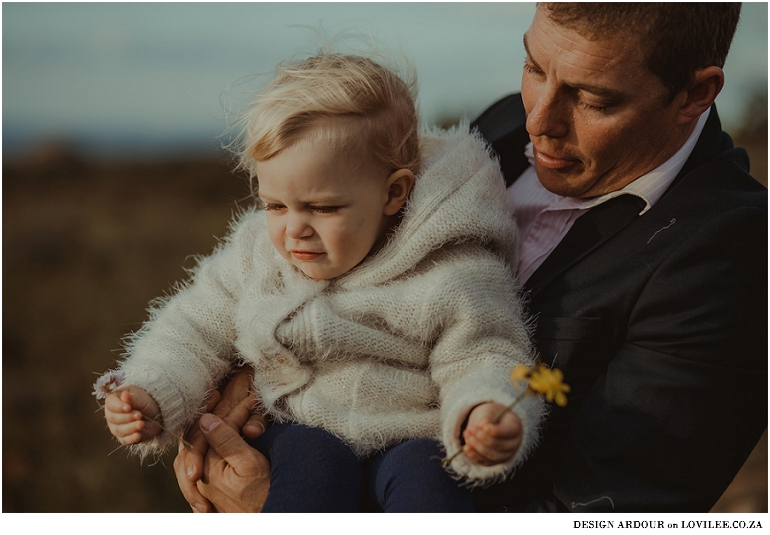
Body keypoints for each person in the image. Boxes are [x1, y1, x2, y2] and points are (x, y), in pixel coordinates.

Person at [174, 3, 767, 513]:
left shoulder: (732, 252)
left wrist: (285, 505)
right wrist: (240, 382)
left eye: (592, 99)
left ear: (695, 93)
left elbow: (610, 510)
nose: (540, 121)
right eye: (535, 66)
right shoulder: (503, 126)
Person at [101, 52, 546, 512]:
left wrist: (485, 411)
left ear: (395, 192)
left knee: (427, 477)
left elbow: (484, 352)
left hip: (411, 435)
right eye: (275, 205)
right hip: (298, 432)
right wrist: (151, 395)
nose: (294, 229)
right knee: (313, 463)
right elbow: (192, 330)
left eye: (324, 208)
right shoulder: (258, 254)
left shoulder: (451, 266)